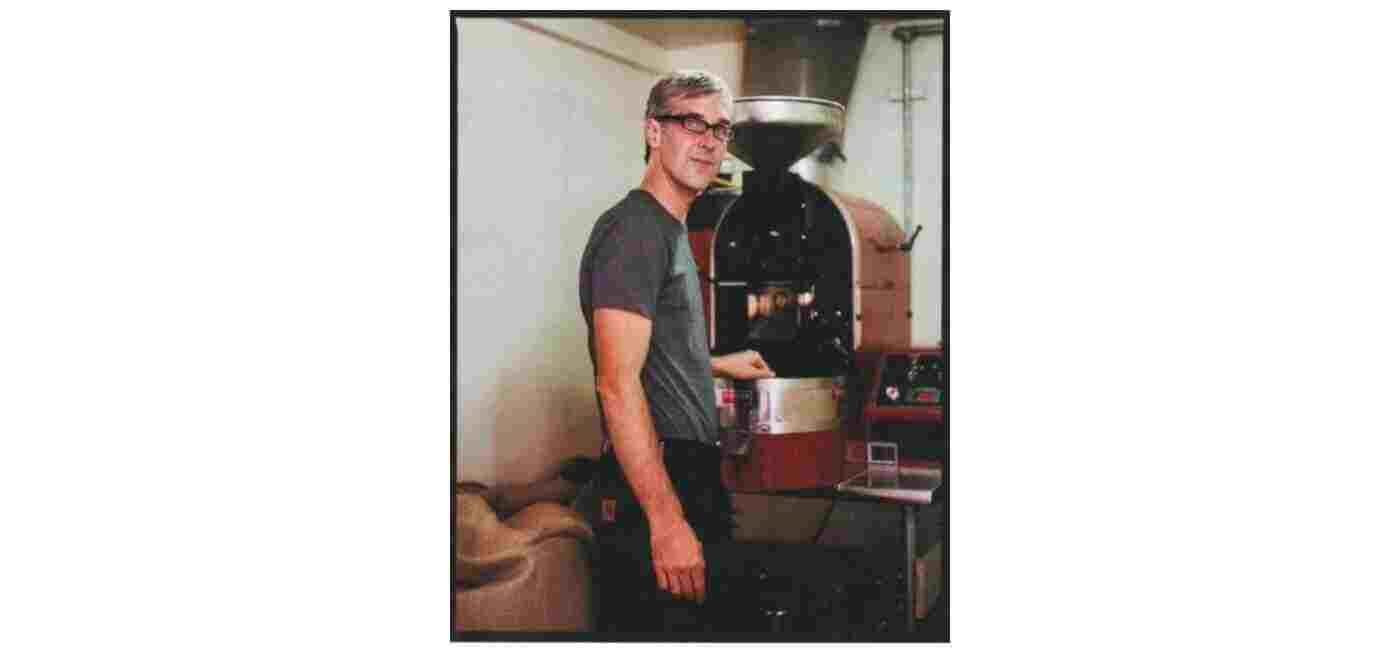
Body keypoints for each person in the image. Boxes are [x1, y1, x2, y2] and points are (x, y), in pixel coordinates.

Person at [576, 69, 776, 633]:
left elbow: (644, 352)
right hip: (661, 478)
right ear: (653, 132)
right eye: (692, 122)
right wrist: (666, 522)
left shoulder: (667, 231)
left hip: (686, 471)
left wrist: (711, 362)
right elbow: (617, 383)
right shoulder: (636, 230)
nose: (710, 140)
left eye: (721, 128)